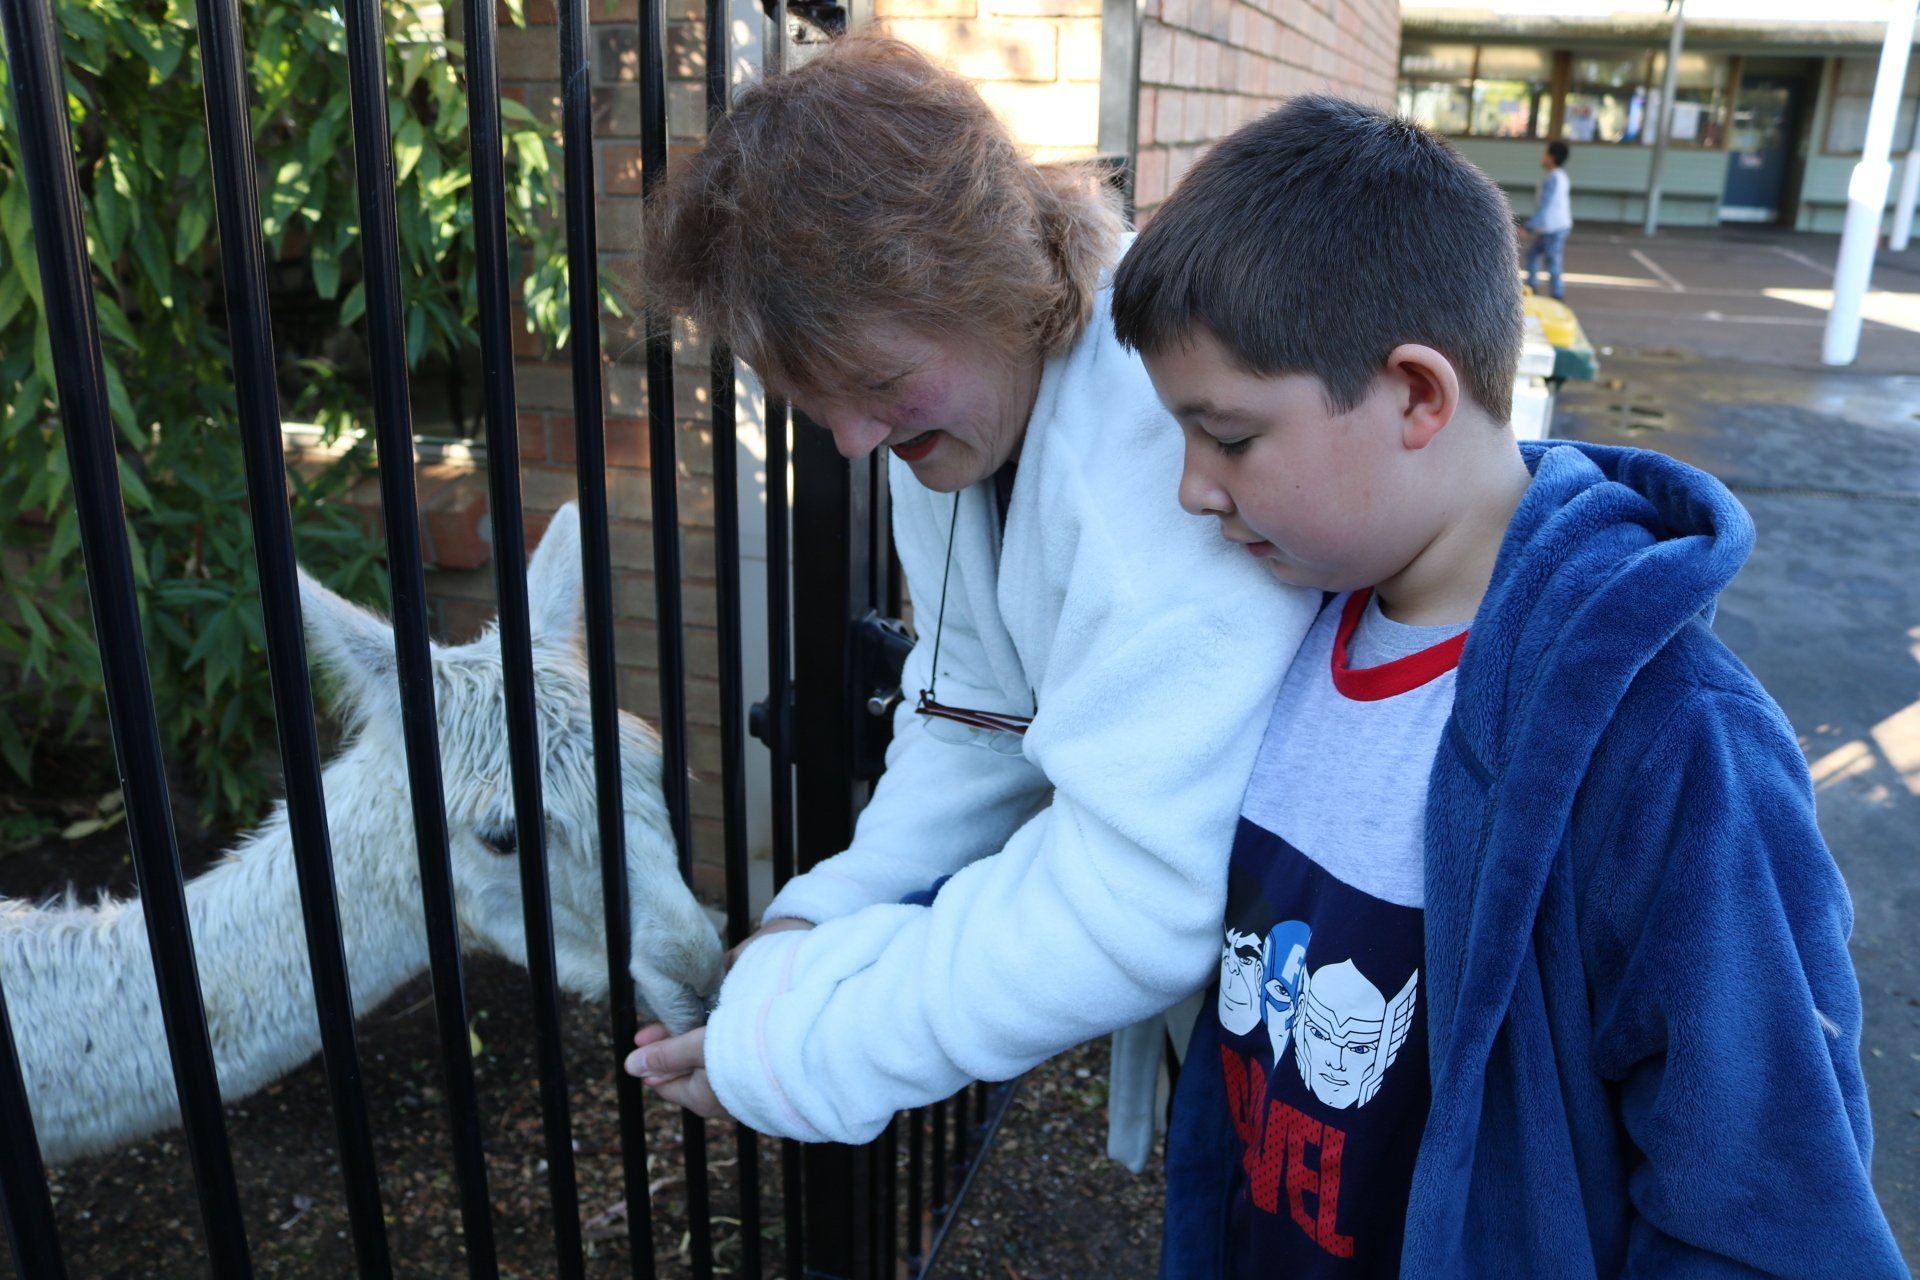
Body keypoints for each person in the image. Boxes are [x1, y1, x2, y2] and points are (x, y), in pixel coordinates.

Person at [1110, 97, 1906, 1276]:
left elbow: (1765, 1203)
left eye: (1227, 437)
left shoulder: (1675, 741)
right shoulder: (1273, 632)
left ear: (1419, 396)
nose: (1191, 490)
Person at [621, 33, 1320, 1149]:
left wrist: (814, 1043)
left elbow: (1135, 902)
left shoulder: (1146, 451)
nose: (853, 440)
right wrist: (816, 918)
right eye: (816, 401)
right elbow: (973, 722)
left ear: (990, 278)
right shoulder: (974, 423)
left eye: (880, 386)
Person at [1524, 139, 1573, 301]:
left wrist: (1528, 227)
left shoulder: (1552, 178)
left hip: (1553, 227)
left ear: (1551, 158)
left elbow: (1545, 206)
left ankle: (1556, 295)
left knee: (1551, 260)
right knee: (1533, 255)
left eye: (1545, 153)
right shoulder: (1559, 176)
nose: (1542, 157)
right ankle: (1533, 287)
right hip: (1554, 226)